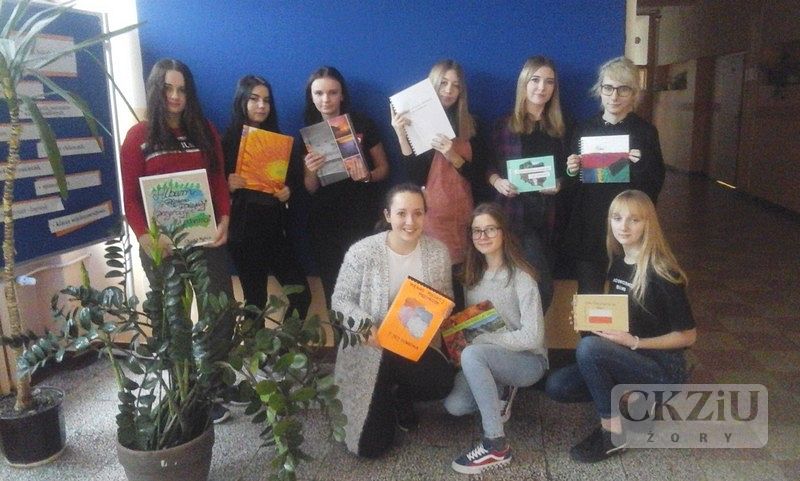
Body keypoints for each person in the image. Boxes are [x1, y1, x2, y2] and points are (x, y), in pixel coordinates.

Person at [120, 58, 234, 423]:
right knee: (173, 321)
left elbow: (218, 181)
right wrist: (145, 238)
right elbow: (130, 198)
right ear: (156, 90)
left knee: (220, 310)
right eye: (168, 88)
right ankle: (185, 391)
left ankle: (213, 384)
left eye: (182, 89)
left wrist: (225, 219)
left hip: (206, 239)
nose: (175, 96)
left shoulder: (204, 130)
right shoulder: (138, 137)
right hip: (162, 246)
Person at [545, 189, 697, 463]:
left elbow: (688, 336)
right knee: (558, 385)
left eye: (633, 220)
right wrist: (587, 319)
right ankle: (633, 402)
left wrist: (636, 343)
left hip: (663, 368)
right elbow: (624, 317)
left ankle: (612, 433)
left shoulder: (663, 272)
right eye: (617, 218)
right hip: (630, 358)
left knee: (588, 348)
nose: (623, 226)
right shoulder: (619, 263)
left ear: (648, 224)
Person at [332, 183, 454, 458]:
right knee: (370, 447)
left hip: (413, 346)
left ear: (425, 215)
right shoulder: (362, 252)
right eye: (401, 213)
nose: (410, 222)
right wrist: (363, 324)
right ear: (388, 215)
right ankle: (384, 396)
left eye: (418, 213)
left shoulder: (438, 252)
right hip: (371, 348)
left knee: (442, 381)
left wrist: (439, 310)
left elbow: (445, 297)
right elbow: (339, 301)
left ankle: (400, 395)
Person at [444, 203, 548, 474]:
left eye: (490, 229)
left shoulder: (522, 277)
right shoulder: (470, 277)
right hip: (486, 357)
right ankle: (499, 388)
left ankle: (495, 444)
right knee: (455, 406)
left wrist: (486, 341)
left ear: (504, 232)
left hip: (527, 360)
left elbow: (533, 336)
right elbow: (473, 328)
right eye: (477, 231)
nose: (483, 236)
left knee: (474, 354)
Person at [562, 56, 666, 295]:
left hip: (629, 228)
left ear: (634, 93)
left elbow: (654, 186)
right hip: (591, 226)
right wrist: (571, 170)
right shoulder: (584, 129)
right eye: (608, 88)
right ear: (599, 90)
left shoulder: (645, 132)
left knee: (628, 294)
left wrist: (641, 166)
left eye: (623, 89)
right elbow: (571, 186)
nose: (614, 96)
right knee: (590, 295)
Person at [391, 60, 487, 310]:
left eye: (455, 85)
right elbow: (415, 178)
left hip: (464, 220)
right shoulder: (416, 122)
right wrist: (401, 135)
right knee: (432, 297)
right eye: (443, 83)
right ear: (431, 85)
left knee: (462, 294)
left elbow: (481, 177)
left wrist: (452, 155)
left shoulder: (473, 125)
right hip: (431, 221)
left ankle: (459, 337)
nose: (448, 90)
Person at [221, 75, 310, 319]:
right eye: (254, 99)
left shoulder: (279, 141)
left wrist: (288, 192)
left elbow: (294, 183)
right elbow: (212, 188)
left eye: (267, 100)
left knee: (302, 296)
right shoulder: (226, 141)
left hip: (275, 231)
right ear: (242, 101)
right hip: (242, 233)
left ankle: (285, 344)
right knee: (255, 303)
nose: (261, 106)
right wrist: (228, 184)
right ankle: (254, 347)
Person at [486, 56, 570, 312]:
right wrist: (498, 182)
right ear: (524, 83)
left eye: (549, 82)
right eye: (535, 80)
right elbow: (487, 166)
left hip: (550, 220)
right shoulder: (504, 125)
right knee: (542, 288)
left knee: (532, 288)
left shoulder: (561, 127)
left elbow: (571, 171)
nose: (541, 87)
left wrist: (560, 183)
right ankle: (528, 333)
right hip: (515, 218)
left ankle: (527, 333)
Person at [301, 66, 390, 306]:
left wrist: (367, 176)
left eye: (332, 92)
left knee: (366, 289)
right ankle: (340, 332)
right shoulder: (308, 133)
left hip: (360, 217)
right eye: (319, 93)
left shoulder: (362, 123)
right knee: (334, 291)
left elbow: (384, 168)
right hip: (324, 224)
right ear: (311, 97)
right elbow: (309, 188)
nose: (326, 99)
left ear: (342, 95)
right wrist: (311, 169)